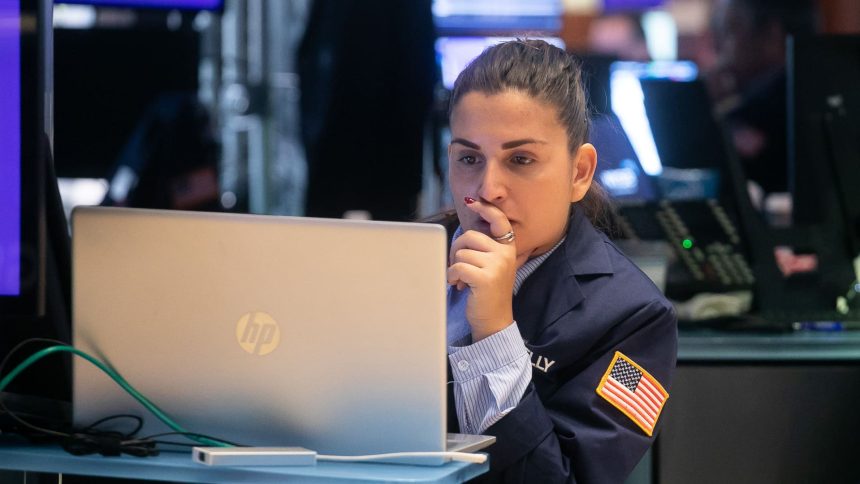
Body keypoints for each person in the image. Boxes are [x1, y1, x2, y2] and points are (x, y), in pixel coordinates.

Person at [440, 39, 677, 482]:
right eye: (469, 158)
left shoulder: (635, 317)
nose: (488, 188)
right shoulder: (402, 259)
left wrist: (495, 333)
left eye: (521, 159)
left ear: (579, 172)